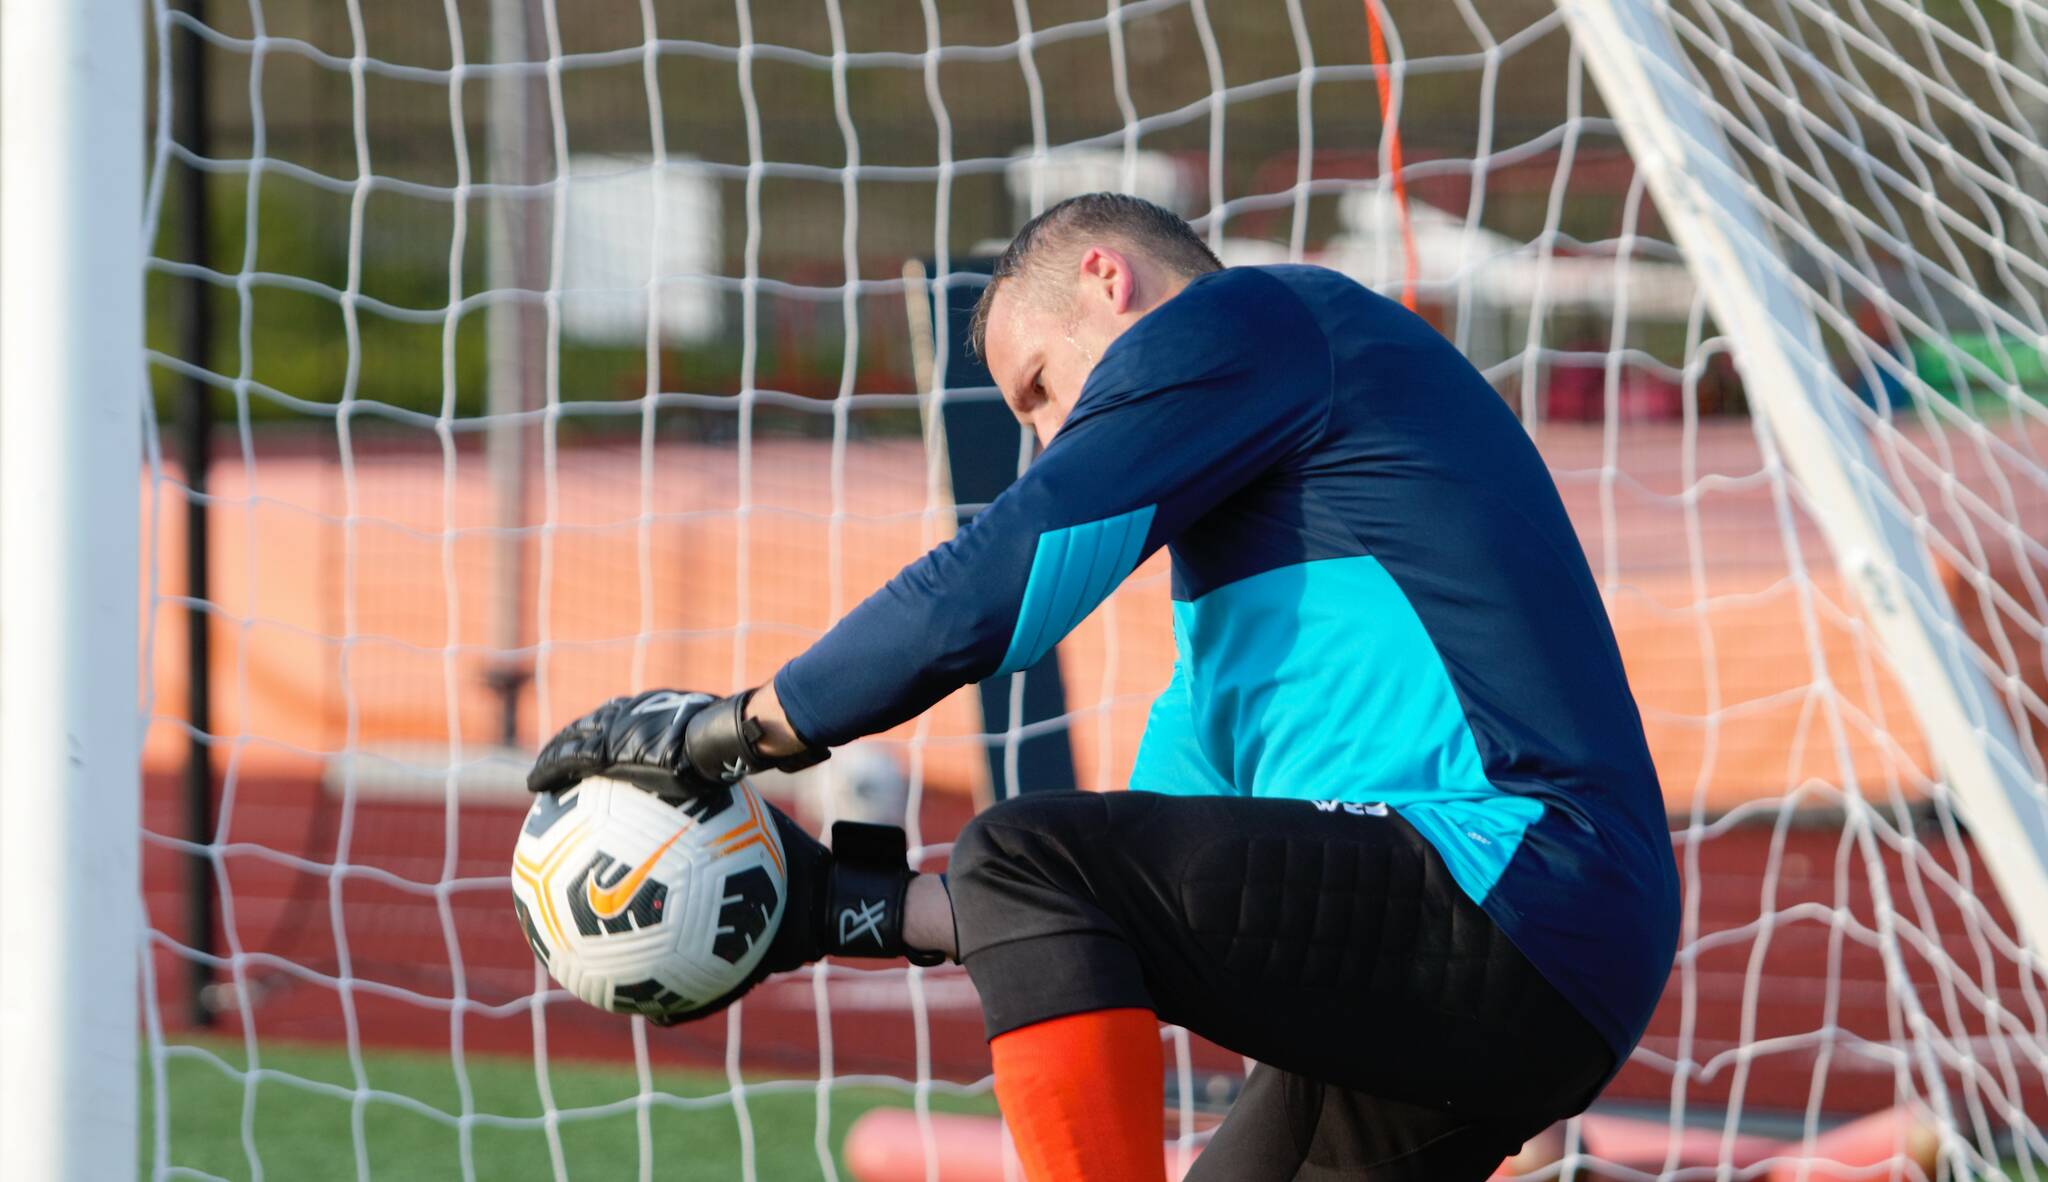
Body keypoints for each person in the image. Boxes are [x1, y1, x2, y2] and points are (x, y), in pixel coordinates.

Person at [526, 193, 1681, 1181]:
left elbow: (1000, 589)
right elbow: (1107, 908)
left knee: (1025, 848)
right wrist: (843, 912)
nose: (1040, 437)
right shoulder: (1239, 610)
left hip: (1518, 884)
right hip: (1521, 968)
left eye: (1036, 387)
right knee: (1042, 860)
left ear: (1108, 281)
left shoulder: (1256, 315)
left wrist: (735, 729)